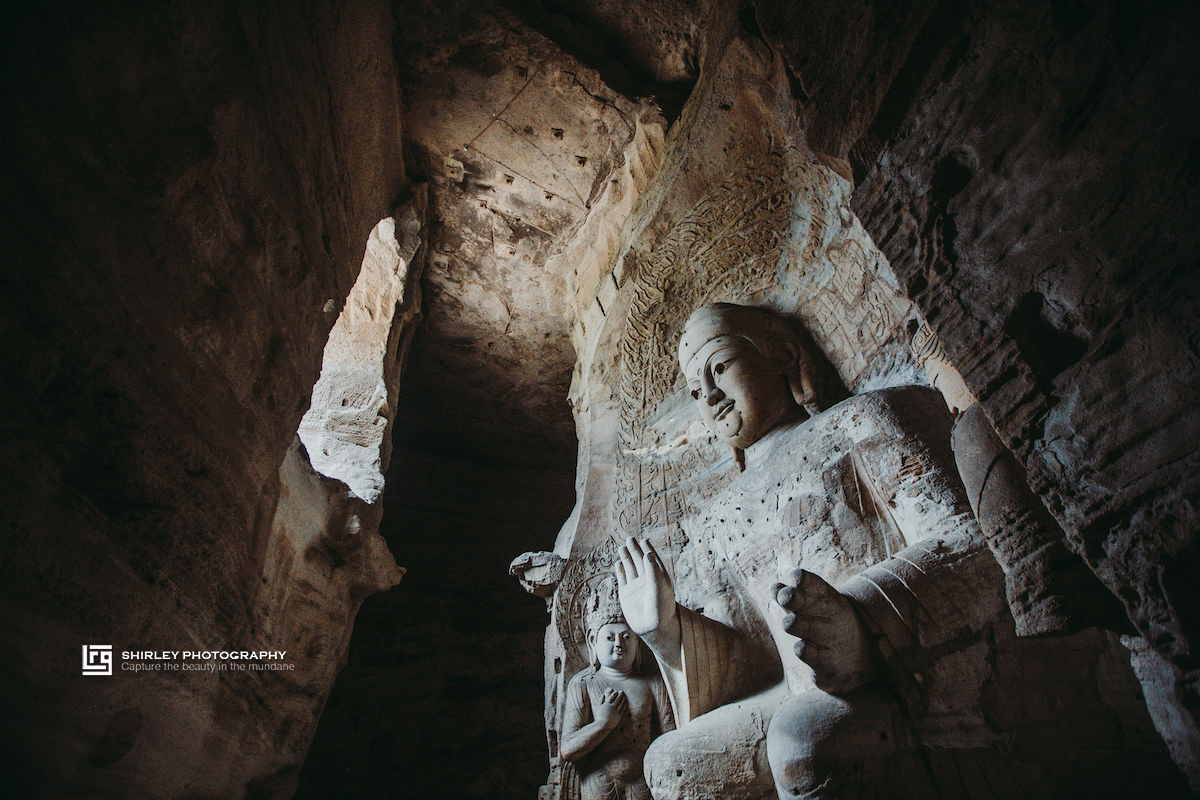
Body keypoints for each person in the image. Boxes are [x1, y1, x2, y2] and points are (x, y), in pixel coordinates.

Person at [613, 303, 1039, 799]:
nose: (708, 395)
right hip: (793, 687)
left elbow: (973, 541)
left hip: (897, 669)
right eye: (693, 390)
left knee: (803, 742)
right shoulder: (715, 519)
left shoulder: (863, 420)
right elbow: (749, 659)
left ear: (783, 354)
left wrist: (860, 619)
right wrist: (668, 633)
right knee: (670, 764)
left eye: (721, 366)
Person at [561, 577, 675, 800]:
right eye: (609, 637)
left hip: (644, 782)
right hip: (598, 783)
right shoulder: (583, 684)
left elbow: (669, 737)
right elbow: (568, 750)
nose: (618, 644)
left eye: (626, 637)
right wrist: (603, 723)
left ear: (638, 642)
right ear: (593, 640)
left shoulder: (653, 683)